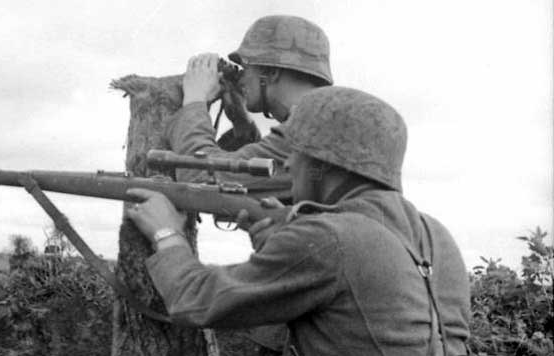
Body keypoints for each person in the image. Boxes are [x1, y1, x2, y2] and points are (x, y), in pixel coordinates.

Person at [125, 86, 471, 355]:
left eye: (297, 155)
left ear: (323, 163)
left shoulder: (327, 238)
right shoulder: (437, 235)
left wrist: (166, 233)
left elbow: (196, 301)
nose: (288, 166)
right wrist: (284, 243)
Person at [168, 15, 333, 188]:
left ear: (271, 73)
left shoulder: (305, 131)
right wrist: (242, 123)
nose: (241, 79)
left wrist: (194, 100)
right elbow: (258, 176)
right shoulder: (321, 122)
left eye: (246, 68)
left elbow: (199, 176)